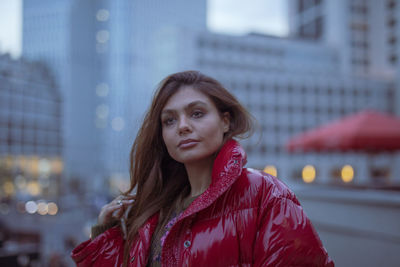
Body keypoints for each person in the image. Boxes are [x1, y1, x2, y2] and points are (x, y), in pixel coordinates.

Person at [71, 71, 334, 267]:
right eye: (169, 120)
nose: (182, 126)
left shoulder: (265, 194)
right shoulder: (153, 213)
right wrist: (106, 237)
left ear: (225, 121)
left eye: (196, 113)